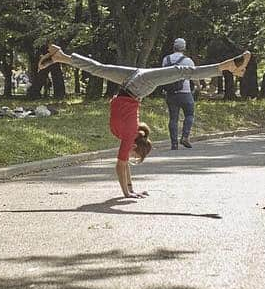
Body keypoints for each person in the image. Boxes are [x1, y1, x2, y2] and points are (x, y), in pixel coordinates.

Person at [37, 42, 250, 199]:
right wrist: (128, 193)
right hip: (136, 85)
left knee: (99, 68)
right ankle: (230, 66)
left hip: (135, 82)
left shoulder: (128, 135)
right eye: (135, 156)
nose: (129, 157)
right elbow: (121, 166)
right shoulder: (128, 135)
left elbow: (122, 166)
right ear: (136, 147)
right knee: (183, 71)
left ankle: (60, 56)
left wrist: (130, 191)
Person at [161, 37, 197, 150]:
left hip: (171, 93)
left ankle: (174, 143)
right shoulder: (188, 60)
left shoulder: (166, 59)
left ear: (173, 47)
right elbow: (194, 76)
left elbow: (163, 75)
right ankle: (185, 137)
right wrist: (198, 86)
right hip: (185, 92)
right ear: (184, 48)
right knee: (190, 115)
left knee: (173, 119)